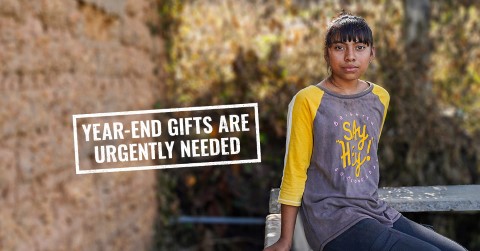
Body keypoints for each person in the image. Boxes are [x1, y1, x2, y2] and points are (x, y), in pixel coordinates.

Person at [264, 13, 467, 251]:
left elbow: (363, 157)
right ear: (327, 53)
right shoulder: (308, 100)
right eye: (340, 47)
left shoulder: (380, 98)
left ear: (372, 53)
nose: (350, 56)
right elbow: (295, 171)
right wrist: (285, 241)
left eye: (360, 47)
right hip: (330, 219)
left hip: (372, 209)